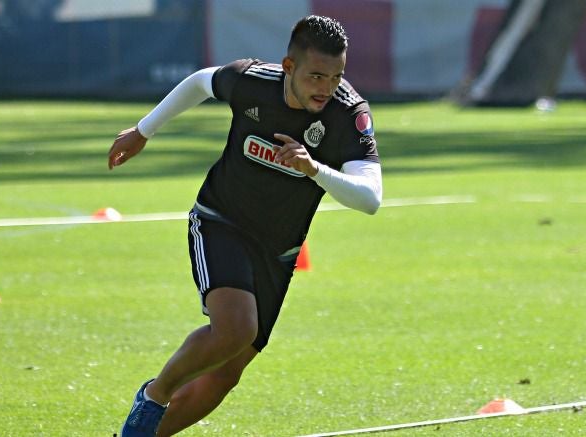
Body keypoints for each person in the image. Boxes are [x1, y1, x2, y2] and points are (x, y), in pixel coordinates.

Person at [109, 15, 382, 437]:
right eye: (315, 75)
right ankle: (154, 396)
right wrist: (144, 130)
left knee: (226, 374)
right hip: (221, 219)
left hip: (279, 251)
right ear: (288, 67)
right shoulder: (252, 80)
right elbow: (202, 81)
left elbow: (370, 199)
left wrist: (315, 170)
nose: (326, 88)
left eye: (336, 76)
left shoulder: (348, 114)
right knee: (235, 329)